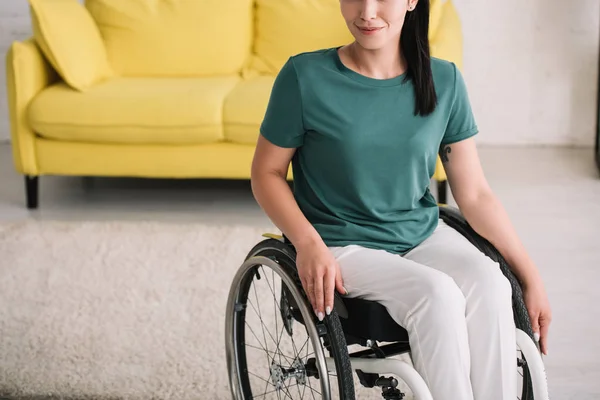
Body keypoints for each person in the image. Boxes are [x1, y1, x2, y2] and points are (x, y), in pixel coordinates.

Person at [250, 0, 552, 399]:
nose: (367, 12)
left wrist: (529, 276)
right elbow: (266, 173)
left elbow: (475, 193)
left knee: (490, 283)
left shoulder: (444, 80)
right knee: (437, 294)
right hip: (340, 243)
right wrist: (307, 242)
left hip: (420, 233)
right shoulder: (305, 78)